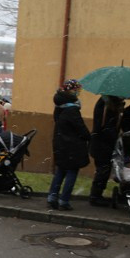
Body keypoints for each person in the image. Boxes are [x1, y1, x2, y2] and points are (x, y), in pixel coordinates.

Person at [47, 79, 90, 210]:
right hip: (72, 146)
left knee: (60, 170)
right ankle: (64, 200)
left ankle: (52, 196)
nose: (78, 93)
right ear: (71, 91)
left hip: (60, 143)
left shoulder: (59, 107)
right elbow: (80, 128)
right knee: (71, 171)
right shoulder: (72, 109)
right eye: (77, 90)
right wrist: (88, 136)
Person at [88, 95, 124, 206]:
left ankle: (96, 195)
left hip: (101, 143)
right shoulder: (106, 107)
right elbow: (106, 127)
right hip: (103, 144)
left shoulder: (105, 104)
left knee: (103, 169)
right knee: (103, 169)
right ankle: (95, 196)